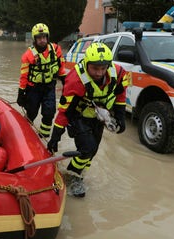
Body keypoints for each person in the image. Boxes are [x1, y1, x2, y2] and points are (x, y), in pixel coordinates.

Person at [47, 43, 128, 198]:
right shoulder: (75, 80)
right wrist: (55, 136)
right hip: (77, 116)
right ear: (87, 63)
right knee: (87, 148)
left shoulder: (118, 73)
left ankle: (79, 173)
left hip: (98, 117)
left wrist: (120, 117)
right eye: (95, 68)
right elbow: (64, 111)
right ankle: (73, 176)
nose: (99, 72)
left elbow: (120, 95)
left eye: (103, 68)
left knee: (93, 150)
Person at [17, 23, 67, 138]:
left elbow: (61, 68)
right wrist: (21, 93)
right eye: (39, 38)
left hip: (49, 87)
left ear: (47, 37)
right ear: (34, 39)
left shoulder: (56, 50)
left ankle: (43, 137)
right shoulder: (28, 55)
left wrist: (65, 85)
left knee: (49, 112)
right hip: (33, 88)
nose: (42, 40)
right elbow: (24, 76)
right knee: (32, 112)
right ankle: (25, 133)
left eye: (44, 37)